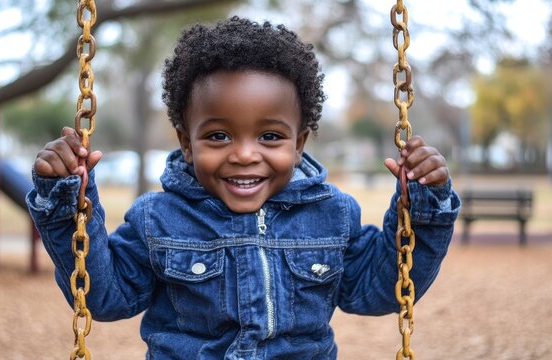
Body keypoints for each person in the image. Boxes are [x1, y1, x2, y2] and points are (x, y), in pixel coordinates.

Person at [27, 16, 460, 359]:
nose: (245, 154)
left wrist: (422, 206)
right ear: (186, 143)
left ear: (299, 143)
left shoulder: (333, 215)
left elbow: (382, 289)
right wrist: (67, 203)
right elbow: (104, 298)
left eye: (270, 136)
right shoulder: (158, 218)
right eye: (218, 136)